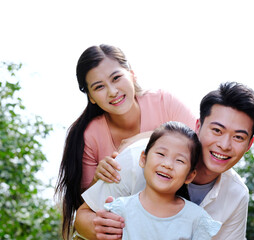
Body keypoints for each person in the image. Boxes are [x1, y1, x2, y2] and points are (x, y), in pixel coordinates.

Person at [74, 81, 254, 240]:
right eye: (217, 130)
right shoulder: (139, 158)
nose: (224, 145)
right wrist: (101, 228)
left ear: (249, 144)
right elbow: (81, 218)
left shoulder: (236, 194)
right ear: (198, 125)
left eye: (238, 137)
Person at [55, 44, 196, 239]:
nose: (112, 91)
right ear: (91, 97)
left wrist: (139, 140)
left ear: (132, 74)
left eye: (116, 78)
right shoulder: (90, 135)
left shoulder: (164, 103)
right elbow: (86, 208)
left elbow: (198, 145)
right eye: (99, 87)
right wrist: (98, 179)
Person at [104, 121, 222, 239]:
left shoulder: (196, 219)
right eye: (161, 154)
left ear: (190, 176)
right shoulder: (121, 209)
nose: (167, 164)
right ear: (143, 159)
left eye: (180, 160)